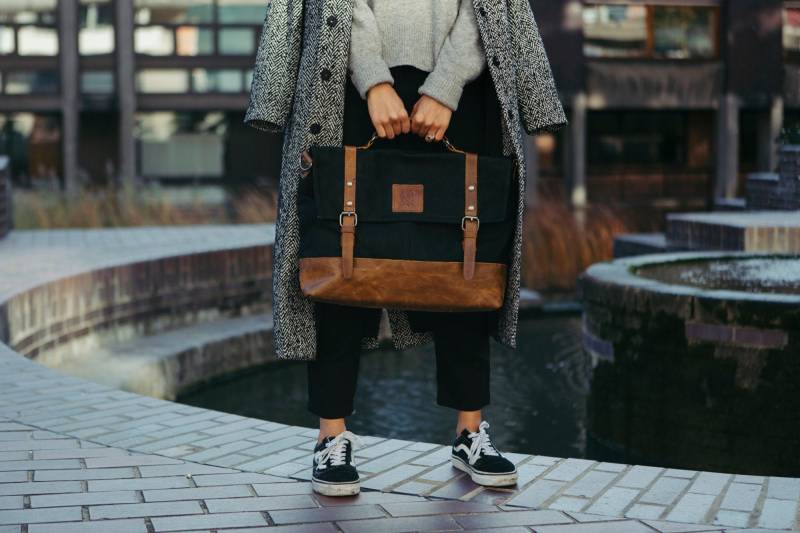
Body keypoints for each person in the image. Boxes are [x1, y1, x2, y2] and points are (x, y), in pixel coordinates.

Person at [245, 0, 566, 498]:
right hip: (345, 74)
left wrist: (447, 83)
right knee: (341, 254)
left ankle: (469, 432)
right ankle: (331, 436)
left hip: (463, 86)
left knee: (465, 257)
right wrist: (373, 80)